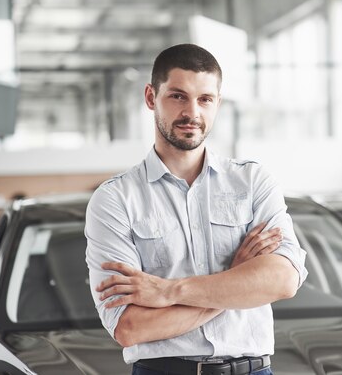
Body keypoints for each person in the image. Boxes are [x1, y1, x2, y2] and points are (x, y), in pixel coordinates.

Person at [85, 43, 308, 375]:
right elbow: (130, 327)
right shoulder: (115, 200)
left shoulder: (252, 182)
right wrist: (235, 282)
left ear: (217, 103)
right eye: (178, 96)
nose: (193, 113)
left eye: (205, 99)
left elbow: (283, 280)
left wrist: (169, 291)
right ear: (151, 97)